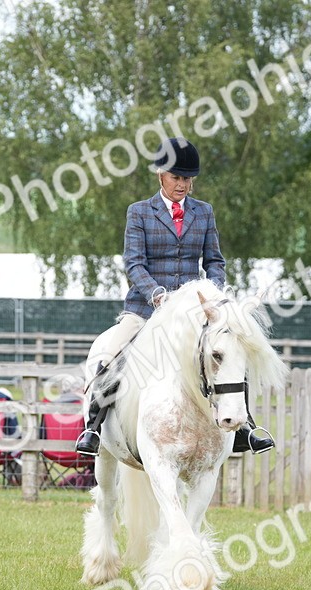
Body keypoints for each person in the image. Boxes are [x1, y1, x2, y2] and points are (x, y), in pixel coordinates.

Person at [74, 137, 274, 456]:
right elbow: (134, 263)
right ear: (161, 175)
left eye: (187, 179)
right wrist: (156, 293)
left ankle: (244, 427)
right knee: (111, 356)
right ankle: (93, 428)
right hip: (145, 310)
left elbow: (214, 261)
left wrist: (212, 294)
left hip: (193, 313)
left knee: (230, 352)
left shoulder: (203, 212)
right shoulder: (140, 212)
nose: (182, 184)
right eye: (176, 177)